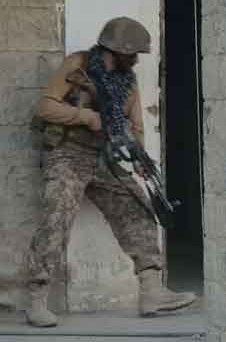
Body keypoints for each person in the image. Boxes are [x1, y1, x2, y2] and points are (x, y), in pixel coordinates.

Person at [25, 17, 196, 327]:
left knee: (139, 207)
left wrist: (139, 158)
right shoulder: (78, 65)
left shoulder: (128, 81)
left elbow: (136, 126)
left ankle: (152, 291)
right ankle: (36, 299)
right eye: (134, 53)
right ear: (118, 50)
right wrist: (86, 117)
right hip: (67, 153)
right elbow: (45, 107)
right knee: (56, 216)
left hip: (104, 156)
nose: (137, 59)